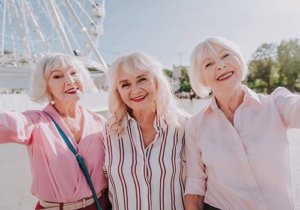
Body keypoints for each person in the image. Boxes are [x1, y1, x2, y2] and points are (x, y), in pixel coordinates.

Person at [184, 36, 298, 210]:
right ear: (202, 79)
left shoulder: (275, 103)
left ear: (239, 59)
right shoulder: (194, 126)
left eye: (226, 56)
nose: (221, 65)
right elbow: (195, 184)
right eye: (208, 64)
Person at [0, 53, 110, 210]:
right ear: (47, 86)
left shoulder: (100, 122)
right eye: (57, 76)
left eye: (73, 73)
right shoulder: (36, 122)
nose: (70, 81)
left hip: (100, 205)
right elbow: (9, 124)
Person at [104, 52, 188, 210]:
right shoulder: (108, 131)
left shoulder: (184, 125)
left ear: (156, 82)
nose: (135, 90)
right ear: (118, 92)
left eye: (142, 79)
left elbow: (197, 184)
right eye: (125, 84)